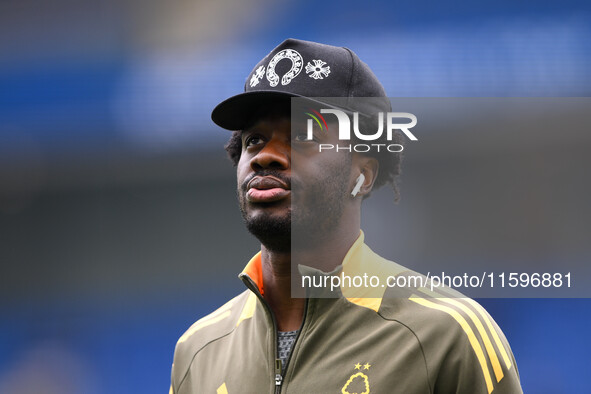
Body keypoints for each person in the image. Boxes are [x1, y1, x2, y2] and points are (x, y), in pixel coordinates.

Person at [170, 38, 522, 394]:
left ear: (362, 175)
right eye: (254, 140)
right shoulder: (197, 352)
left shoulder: (446, 335)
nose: (265, 156)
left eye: (303, 136)